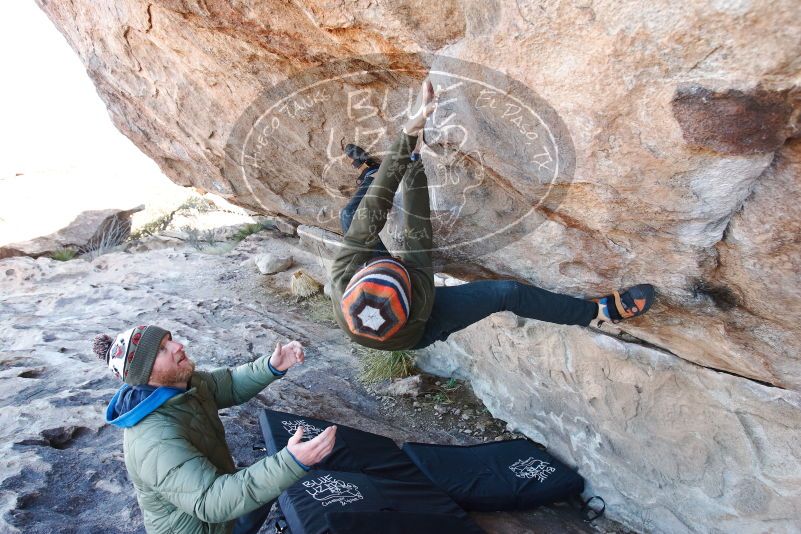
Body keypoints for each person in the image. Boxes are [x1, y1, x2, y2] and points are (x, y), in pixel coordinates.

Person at [330, 78, 655, 351]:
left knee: (351, 219)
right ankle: (596, 312)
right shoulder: (419, 302)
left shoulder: (344, 275)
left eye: (388, 263)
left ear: (360, 271)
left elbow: (374, 207)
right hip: (417, 328)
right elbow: (418, 227)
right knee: (506, 294)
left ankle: (371, 173)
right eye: (402, 267)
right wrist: (414, 164)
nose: (397, 259)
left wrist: (410, 133)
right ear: (411, 282)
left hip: (385, 294)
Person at [95, 325, 336, 534]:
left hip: (218, 501)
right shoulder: (155, 440)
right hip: (202, 524)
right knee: (277, 475)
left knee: (271, 484)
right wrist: (291, 462)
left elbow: (227, 385)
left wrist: (272, 366)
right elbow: (211, 500)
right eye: (162, 349)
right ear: (145, 374)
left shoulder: (182, 385)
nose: (178, 345)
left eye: (170, 340)